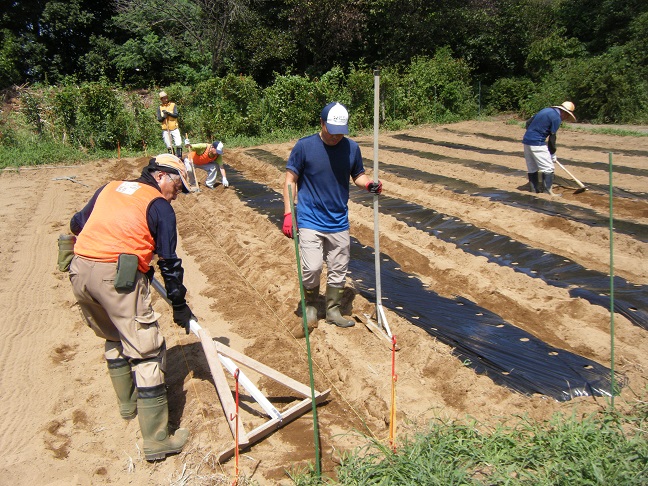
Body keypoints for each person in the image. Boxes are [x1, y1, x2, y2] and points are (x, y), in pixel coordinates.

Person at [68, 154, 195, 461]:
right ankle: (157, 440)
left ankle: (128, 406)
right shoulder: (159, 205)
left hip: (80, 269)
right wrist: (179, 304)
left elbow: (77, 224)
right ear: (162, 176)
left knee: (113, 336)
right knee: (147, 351)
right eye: (178, 185)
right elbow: (169, 263)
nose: (178, 194)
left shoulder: (110, 187)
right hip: (116, 278)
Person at [282, 102, 383, 330]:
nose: (337, 137)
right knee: (312, 267)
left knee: (339, 268)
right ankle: (310, 308)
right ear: (322, 123)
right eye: (332, 131)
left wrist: (369, 185)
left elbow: (358, 175)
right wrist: (289, 213)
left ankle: (333, 310)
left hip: (338, 220)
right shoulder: (304, 147)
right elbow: (290, 180)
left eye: (341, 132)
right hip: (309, 218)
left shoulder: (351, 148)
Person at [522, 101, 576, 195]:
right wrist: (552, 153)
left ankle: (534, 190)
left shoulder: (545, 110)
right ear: (564, 112)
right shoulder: (556, 118)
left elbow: (528, 123)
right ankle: (547, 191)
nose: (566, 118)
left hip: (527, 140)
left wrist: (533, 134)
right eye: (567, 116)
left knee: (532, 167)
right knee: (548, 168)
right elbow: (552, 138)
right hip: (537, 142)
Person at [156, 91, 183, 159]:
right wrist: (164, 117)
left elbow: (176, 115)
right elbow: (159, 119)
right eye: (164, 98)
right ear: (161, 99)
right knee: (169, 145)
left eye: (166, 98)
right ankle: (172, 158)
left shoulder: (173, 105)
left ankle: (179, 157)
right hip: (165, 128)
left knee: (178, 143)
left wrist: (168, 113)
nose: (166, 99)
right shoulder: (159, 107)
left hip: (174, 127)